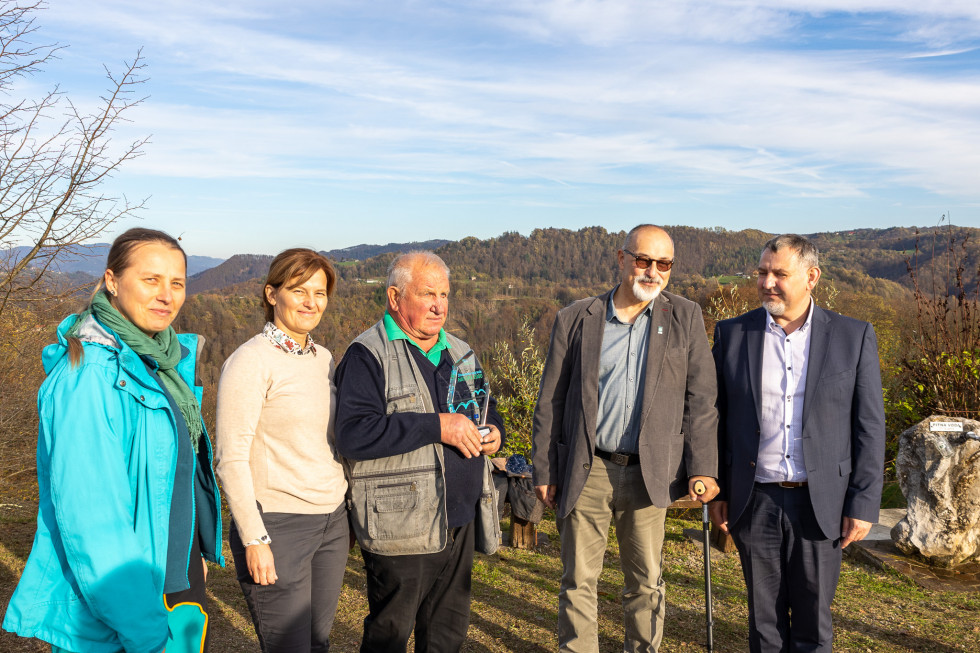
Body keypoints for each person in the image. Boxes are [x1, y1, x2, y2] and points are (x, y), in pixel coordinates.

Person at [2, 228, 224, 653]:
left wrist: (191, 560)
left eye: (177, 283)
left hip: (173, 586)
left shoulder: (159, 364)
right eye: (150, 279)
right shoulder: (87, 378)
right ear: (111, 281)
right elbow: (93, 522)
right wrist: (145, 630)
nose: (166, 295)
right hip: (125, 611)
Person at [532, 224, 719, 653]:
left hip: (651, 473)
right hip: (588, 467)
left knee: (646, 582)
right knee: (578, 580)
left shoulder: (685, 317)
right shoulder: (576, 318)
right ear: (621, 259)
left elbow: (702, 401)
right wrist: (544, 468)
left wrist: (704, 468)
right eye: (643, 260)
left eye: (664, 264)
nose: (653, 271)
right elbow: (550, 401)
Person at [710, 234, 886, 652]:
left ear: (812, 277)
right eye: (762, 273)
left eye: (779, 274)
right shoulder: (732, 335)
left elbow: (869, 426)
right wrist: (716, 486)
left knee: (813, 621)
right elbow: (715, 417)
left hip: (822, 503)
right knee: (764, 621)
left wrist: (862, 504)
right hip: (755, 500)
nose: (767, 282)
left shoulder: (853, 336)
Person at [335, 250, 505, 653]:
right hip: (401, 528)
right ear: (395, 298)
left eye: (445, 295)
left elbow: (486, 406)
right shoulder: (366, 355)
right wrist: (436, 426)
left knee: (447, 635)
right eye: (428, 294)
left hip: (459, 518)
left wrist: (496, 431)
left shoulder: (459, 351)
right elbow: (354, 434)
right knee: (390, 635)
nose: (439, 305)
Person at [215, 248, 350, 653]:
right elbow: (230, 459)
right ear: (272, 294)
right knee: (288, 647)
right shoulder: (250, 362)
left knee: (318, 641)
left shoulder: (323, 358)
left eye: (320, 292)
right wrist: (254, 538)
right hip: (278, 525)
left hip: (333, 521)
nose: (311, 302)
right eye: (299, 290)